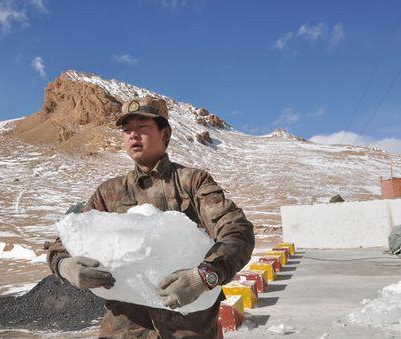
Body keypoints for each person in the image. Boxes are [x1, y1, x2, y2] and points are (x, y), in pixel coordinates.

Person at [46, 96, 255, 338]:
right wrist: (65, 266)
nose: (133, 135)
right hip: (124, 330)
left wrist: (204, 277)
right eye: (127, 130)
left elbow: (237, 231)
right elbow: (63, 243)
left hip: (188, 327)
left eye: (142, 128)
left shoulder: (192, 182)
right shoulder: (109, 192)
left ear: (164, 135)